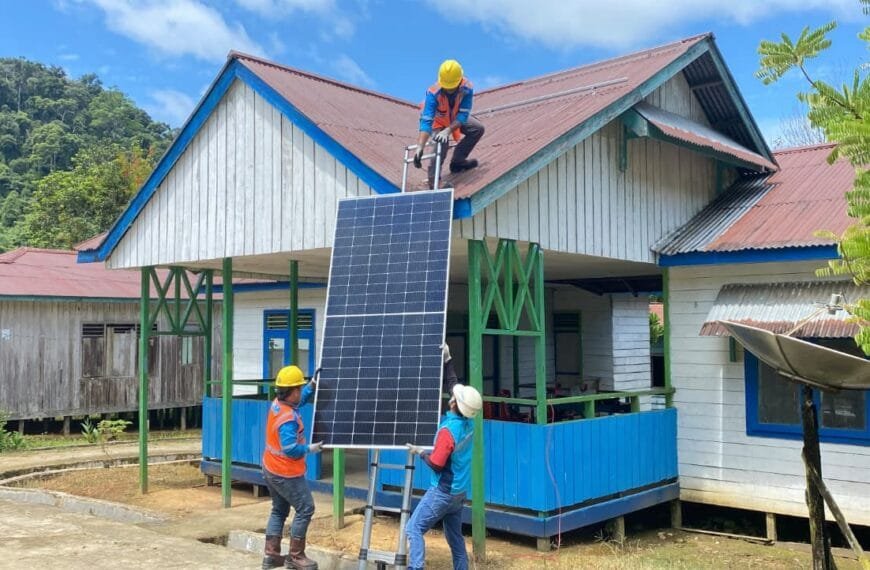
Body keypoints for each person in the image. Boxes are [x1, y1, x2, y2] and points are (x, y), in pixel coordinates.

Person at [405, 344, 483, 570]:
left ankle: (415, 567)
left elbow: (437, 465)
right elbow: (454, 385)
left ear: (454, 404)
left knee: (414, 528)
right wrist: (448, 359)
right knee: (454, 536)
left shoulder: (448, 431)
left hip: (443, 492)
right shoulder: (469, 422)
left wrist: (420, 453)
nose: (452, 394)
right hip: (459, 492)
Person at [261, 365, 323, 570]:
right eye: (299, 387)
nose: (300, 390)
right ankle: (295, 557)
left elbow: (300, 401)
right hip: (285, 472)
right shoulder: (288, 420)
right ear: (293, 391)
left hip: (270, 468)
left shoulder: (279, 404)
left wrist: (312, 385)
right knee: (306, 508)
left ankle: (271, 556)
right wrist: (310, 448)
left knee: (279, 509)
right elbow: (291, 450)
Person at [413, 59, 485, 186]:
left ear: (459, 81)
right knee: (441, 143)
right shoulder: (433, 93)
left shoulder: (466, 88)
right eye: (447, 88)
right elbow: (426, 122)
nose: (450, 91)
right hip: (438, 121)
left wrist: (448, 130)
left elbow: (463, 115)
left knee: (477, 129)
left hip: (454, 118)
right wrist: (420, 147)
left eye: (452, 88)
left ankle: (457, 162)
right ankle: (434, 181)